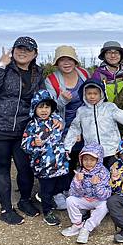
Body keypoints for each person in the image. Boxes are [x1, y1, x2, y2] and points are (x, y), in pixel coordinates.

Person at [0, 36, 45, 225]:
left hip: (23, 127)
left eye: (28, 49)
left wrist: (53, 119)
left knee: (25, 167)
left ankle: (25, 201)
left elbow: (41, 98)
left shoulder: (37, 73)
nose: (22, 52)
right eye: (19, 48)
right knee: (2, 167)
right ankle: (6, 209)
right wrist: (1, 64)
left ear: (35, 54)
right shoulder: (2, 67)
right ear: (13, 49)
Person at [64, 78, 123, 168]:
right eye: (89, 94)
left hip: (112, 152)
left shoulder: (110, 107)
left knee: (114, 177)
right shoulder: (81, 111)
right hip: (93, 154)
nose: (92, 96)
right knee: (97, 180)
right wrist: (67, 147)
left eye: (95, 93)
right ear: (84, 94)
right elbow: (74, 129)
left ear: (101, 94)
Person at [44, 45, 89, 209]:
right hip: (61, 126)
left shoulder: (84, 74)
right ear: (57, 62)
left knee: (81, 158)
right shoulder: (51, 80)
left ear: (75, 61)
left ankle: (74, 190)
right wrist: (62, 100)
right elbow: (49, 107)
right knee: (63, 159)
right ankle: (59, 192)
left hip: (83, 124)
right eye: (62, 60)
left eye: (69, 59)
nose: (66, 63)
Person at [21, 90, 69, 226]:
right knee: (47, 189)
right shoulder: (31, 126)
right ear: (34, 108)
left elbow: (63, 134)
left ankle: (43, 196)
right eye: (40, 107)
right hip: (43, 166)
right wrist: (33, 143)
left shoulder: (56, 121)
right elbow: (24, 145)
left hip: (60, 163)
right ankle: (47, 212)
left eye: (47, 107)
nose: (44, 110)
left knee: (63, 185)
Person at [61, 143, 111, 244]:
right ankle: (77, 225)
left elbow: (105, 195)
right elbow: (74, 193)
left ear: (99, 160)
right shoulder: (79, 171)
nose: (88, 163)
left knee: (105, 205)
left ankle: (87, 228)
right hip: (84, 199)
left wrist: (97, 185)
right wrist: (77, 182)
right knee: (70, 200)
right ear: (81, 159)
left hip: (98, 200)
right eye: (85, 159)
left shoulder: (104, 172)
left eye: (92, 160)